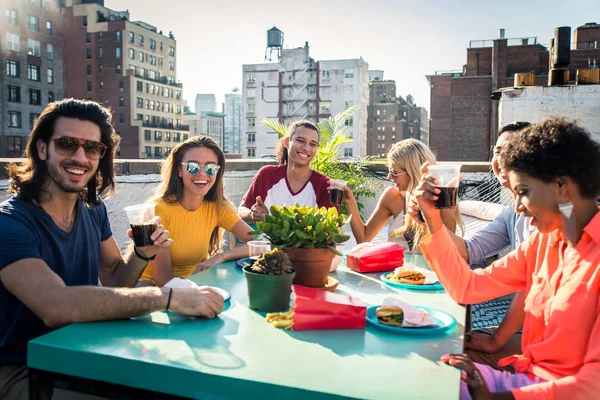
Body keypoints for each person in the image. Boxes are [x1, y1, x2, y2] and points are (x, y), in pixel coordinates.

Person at [0, 99, 225, 399]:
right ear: (42, 149)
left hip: (86, 349)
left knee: (189, 381)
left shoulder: (93, 210)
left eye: (92, 148)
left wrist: (143, 252)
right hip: (23, 369)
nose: (80, 157)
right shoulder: (11, 223)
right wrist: (168, 297)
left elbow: (116, 279)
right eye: (67, 144)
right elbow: (56, 306)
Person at [415, 117, 600, 399]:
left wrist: (495, 397)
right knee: (421, 369)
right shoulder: (543, 241)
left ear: (562, 185)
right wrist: (431, 217)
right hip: (521, 379)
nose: (517, 208)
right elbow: (467, 287)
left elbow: (592, 386)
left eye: (523, 193)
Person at [408, 122, 533, 371]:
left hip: (546, 348)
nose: (500, 159)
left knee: (441, 356)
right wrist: (431, 217)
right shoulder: (515, 217)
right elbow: (468, 254)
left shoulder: (568, 233)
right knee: (439, 344)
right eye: (497, 151)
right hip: (531, 334)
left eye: (510, 151)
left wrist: (497, 339)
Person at [138, 136, 254, 287]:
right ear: (180, 169)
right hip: (152, 289)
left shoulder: (217, 207)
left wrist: (222, 256)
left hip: (193, 284)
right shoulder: (157, 210)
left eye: (211, 168)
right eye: (193, 166)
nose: (202, 173)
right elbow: (163, 279)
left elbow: (261, 243)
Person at [341, 138, 462, 253]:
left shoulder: (442, 198)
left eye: (394, 172)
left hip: (431, 271)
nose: (389, 177)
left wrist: (429, 220)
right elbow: (363, 238)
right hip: (394, 271)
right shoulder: (392, 196)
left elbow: (449, 249)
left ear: (412, 171)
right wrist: (350, 201)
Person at [238, 120, 334, 223]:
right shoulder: (266, 175)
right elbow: (242, 209)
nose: (306, 148)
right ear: (287, 142)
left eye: (313, 144)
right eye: (301, 141)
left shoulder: (325, 184)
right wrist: (252, 214)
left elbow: (330, 226)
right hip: (266, 239)